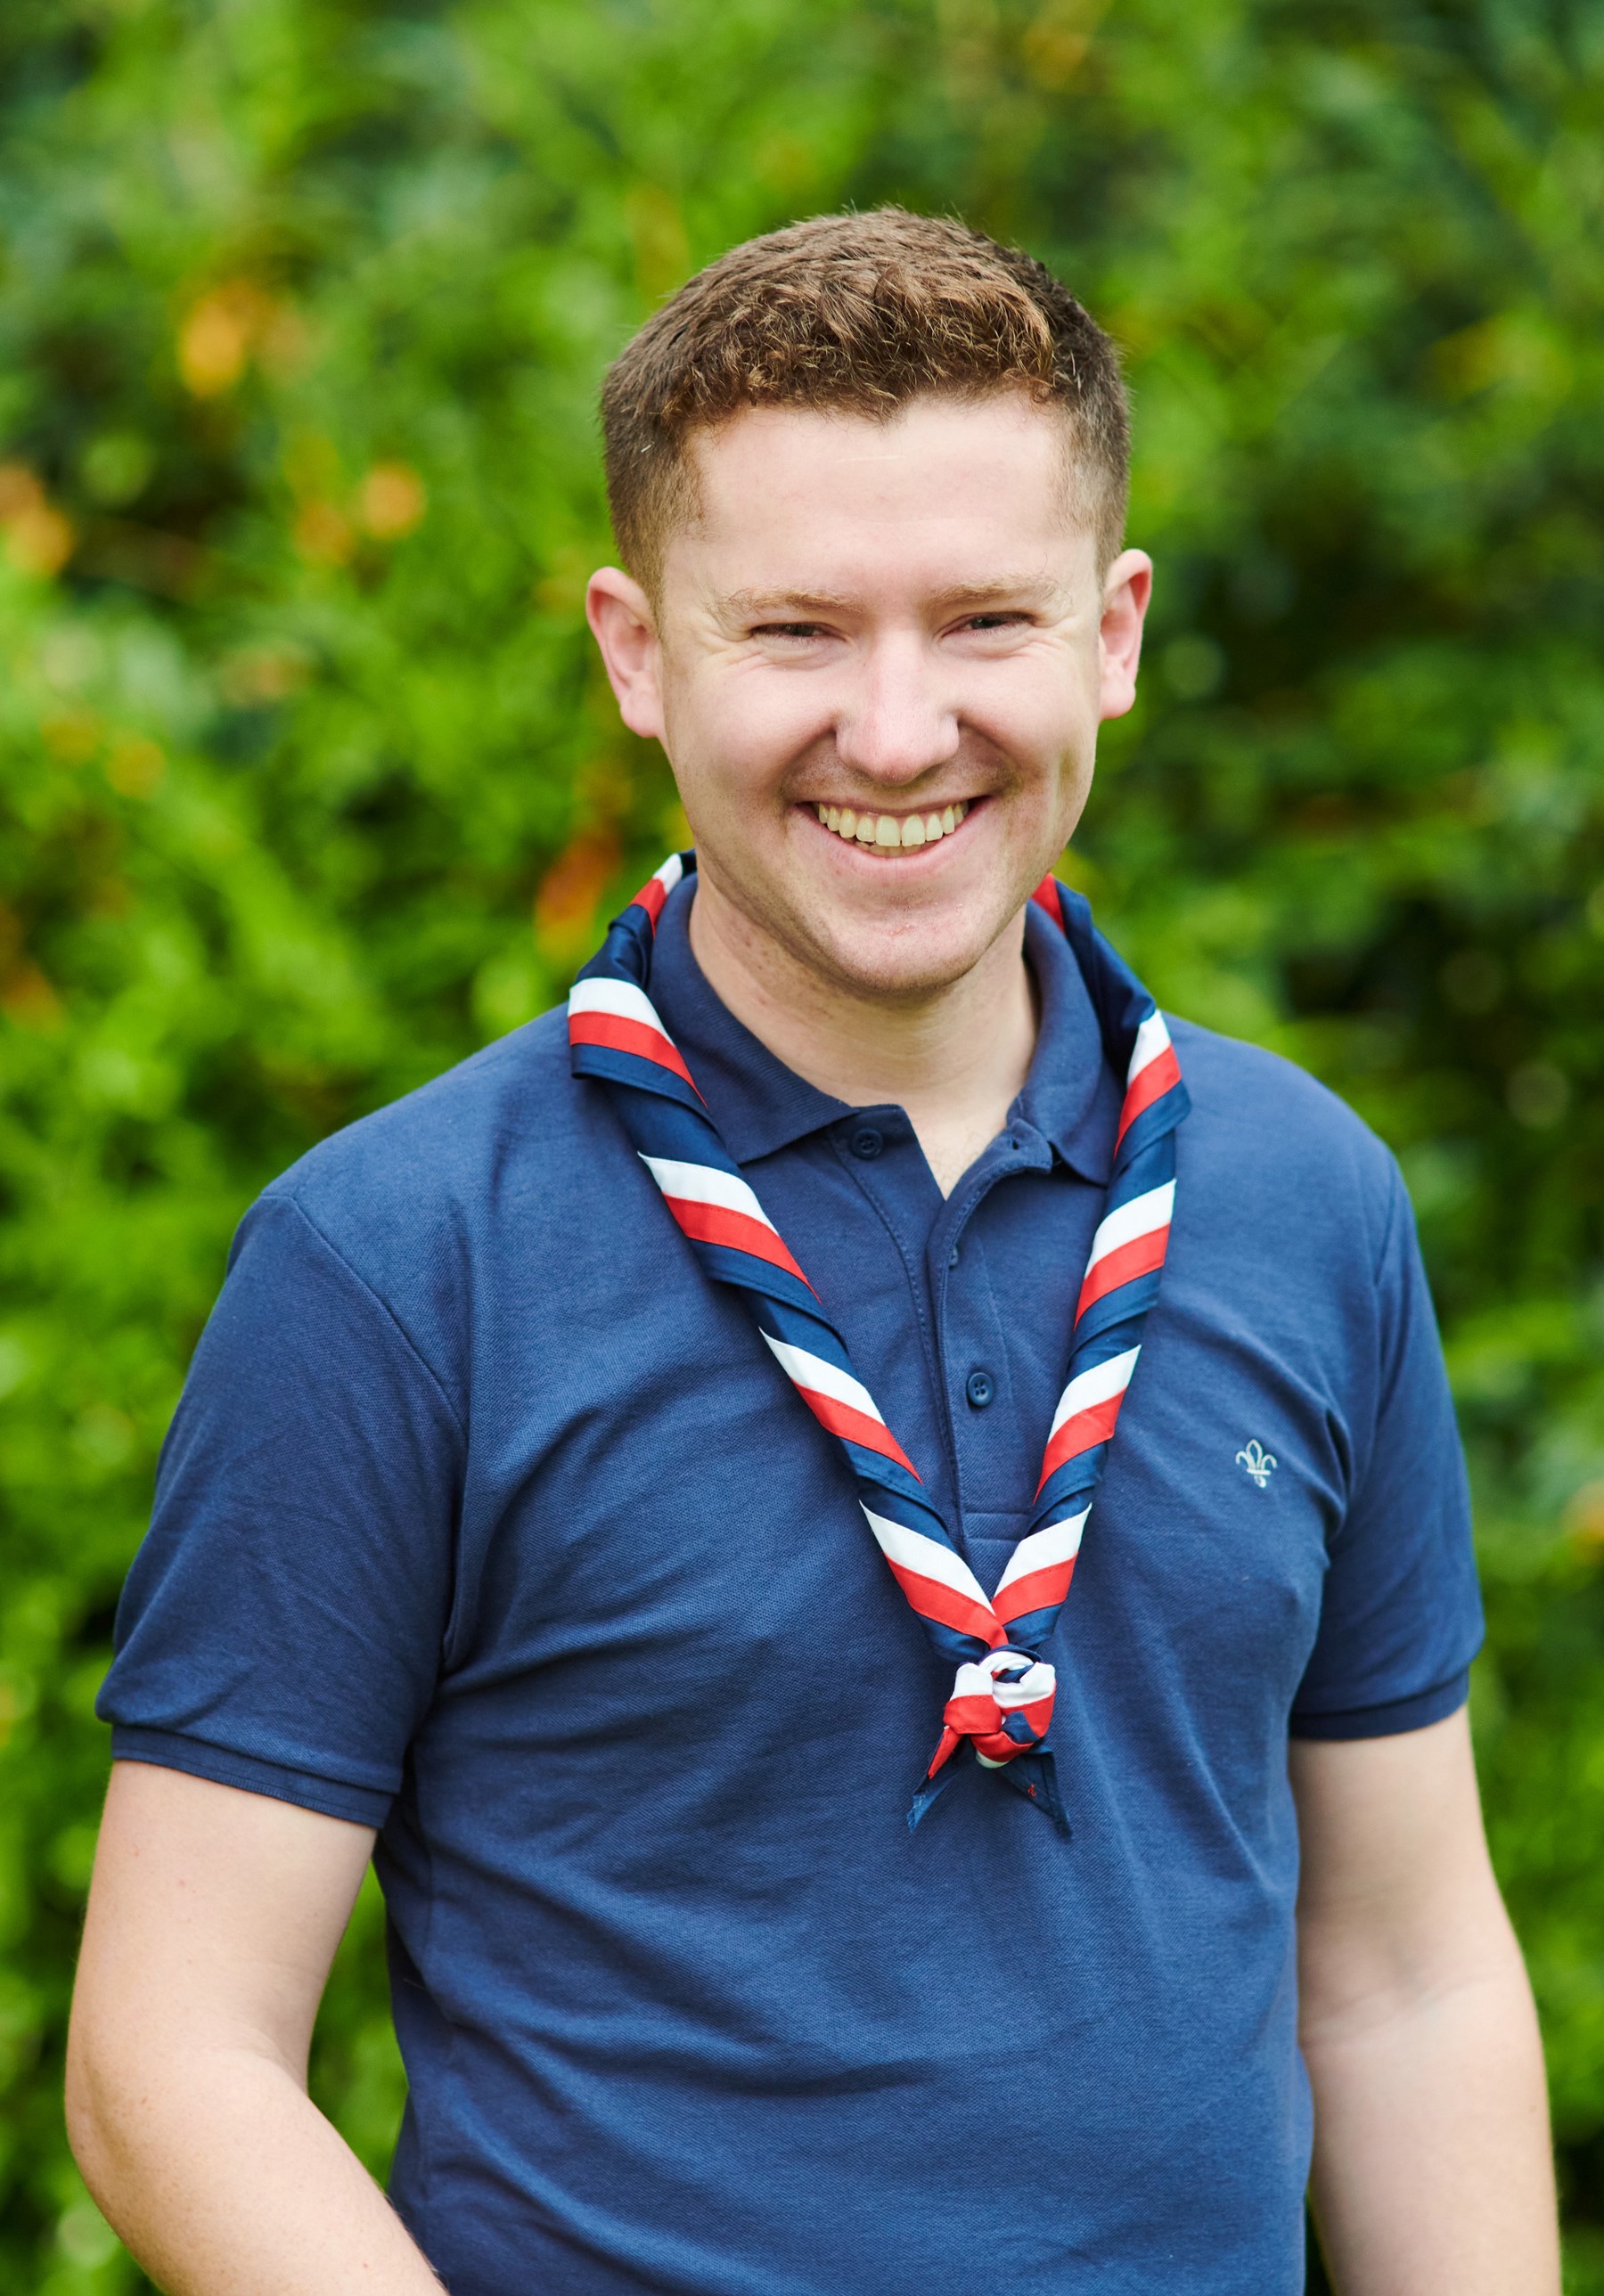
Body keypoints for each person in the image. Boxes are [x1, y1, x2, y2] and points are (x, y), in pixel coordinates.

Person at [67, 208, 1559, 2296]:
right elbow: (175, 2049)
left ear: (1112, 631)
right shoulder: (396, 1261)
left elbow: (1404, 1969)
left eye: (982, 620)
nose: (892, 728)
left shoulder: (1309, 1196)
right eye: (792, 632)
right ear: (635, 650)